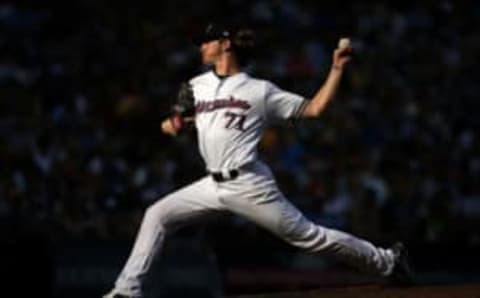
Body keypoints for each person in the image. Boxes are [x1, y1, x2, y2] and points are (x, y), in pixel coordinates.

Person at [104, 23, 412, 298]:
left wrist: (336, 69)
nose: (201, 46)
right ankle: (126, 291)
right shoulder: (196, 85)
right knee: (157, 214)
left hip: (249, 183)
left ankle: (387, 261)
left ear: (225, 44)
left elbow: (315, 109)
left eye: (207, 41)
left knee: (309, 237)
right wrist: (173, 125)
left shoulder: (260, 91)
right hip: (213, 183)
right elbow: (170, 124)